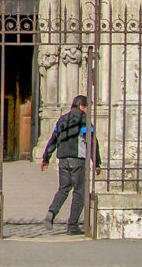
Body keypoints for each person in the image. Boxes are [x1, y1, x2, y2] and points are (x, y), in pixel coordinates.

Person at [41, 94, 102, 235]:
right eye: (87, 107)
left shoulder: (62, 120)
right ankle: (72, 225)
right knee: (79, 192)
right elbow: (92, 142)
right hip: (77, 159)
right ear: (82, 106)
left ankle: (52, 211)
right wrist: (97, 163)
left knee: (63, 189)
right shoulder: (84, 121)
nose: (88, 110)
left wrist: (46, 158)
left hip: (62, 159)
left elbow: (53, 140)